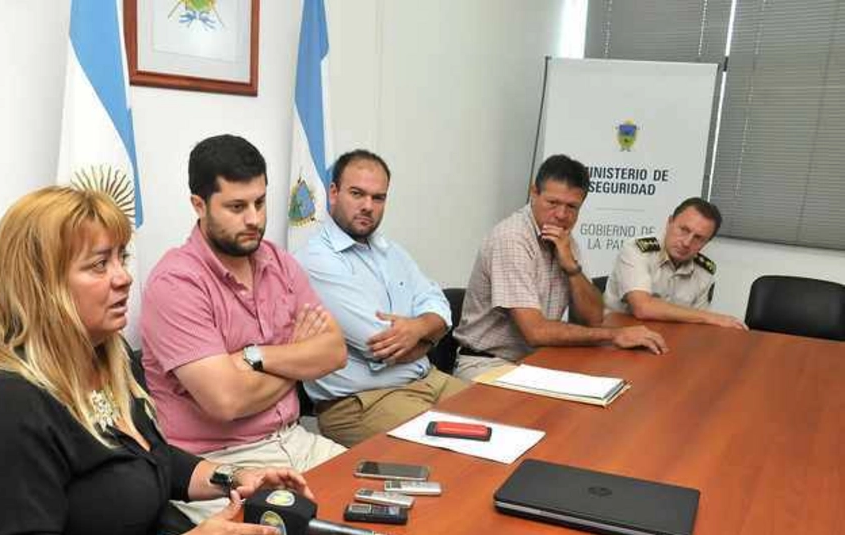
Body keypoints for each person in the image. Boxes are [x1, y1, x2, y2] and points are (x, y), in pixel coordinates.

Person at [0, 186, 308, 535]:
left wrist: (234, 476)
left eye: (121, 257)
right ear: (42, 285)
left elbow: (149, 458)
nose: (124, 277)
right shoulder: (3, 407)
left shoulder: (105, 360)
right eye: (100, 264)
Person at [140, 135, 347, 523]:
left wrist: (256, 356)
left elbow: (335, 351)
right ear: (199, 205)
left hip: (296, 441)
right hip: (221, 467)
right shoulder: (176, 283)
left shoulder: (279, 262)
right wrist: (299, 357)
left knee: (392, 505)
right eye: (237, 207)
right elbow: (226, 401)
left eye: (260, 202)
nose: (254, 219)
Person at [294, 150, 468, 446]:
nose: (367, 206)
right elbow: (379, 345)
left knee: (507, 418)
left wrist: (418, 328)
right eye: (357, 194)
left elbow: (438, 304)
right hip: (362, 402)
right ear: (333, 193)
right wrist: (431, 335)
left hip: (428, 379)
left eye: (378, 198)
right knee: (459, 449)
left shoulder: (392, 252)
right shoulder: (315, 260)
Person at [453, 154, 668, 381]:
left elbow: (593, 318)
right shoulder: (512, 238)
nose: (561, 215)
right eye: (553, 203)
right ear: (534, 192)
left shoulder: (564, 240)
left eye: (572, 206)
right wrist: (615, 336)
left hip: (535, 360)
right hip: (486, 363)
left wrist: (571, 268)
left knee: (617, 383)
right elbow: (535, 332)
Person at [603, 198, 746, 329]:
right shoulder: (637, 250)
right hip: (617, 333)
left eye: (698, 238)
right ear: (670, 222)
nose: (686, 243)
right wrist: (712, 317)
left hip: (668, 338)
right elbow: (643, 307)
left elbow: (698, 325)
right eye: (684, 230)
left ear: (706, 243)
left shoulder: (704, 272)